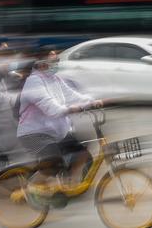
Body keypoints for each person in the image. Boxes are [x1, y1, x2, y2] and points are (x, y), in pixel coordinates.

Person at [17, 48, 103, 198]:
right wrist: (72, 108)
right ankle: (29, 190)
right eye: (53, 61)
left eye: (57, 61)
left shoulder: (55, 79)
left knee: (82, 153)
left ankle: (67, 184)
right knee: (53, 163)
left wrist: (93, 101)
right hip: (34, 134)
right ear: (42, 64)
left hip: (56, 132)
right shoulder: (33, 82)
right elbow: (51, 107)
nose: (56, 64)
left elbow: (73, 95)